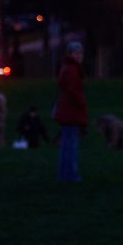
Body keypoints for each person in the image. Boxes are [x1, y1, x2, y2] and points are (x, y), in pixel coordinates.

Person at [54, 42, 88, 182]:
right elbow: (73, 91)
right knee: (71, 145)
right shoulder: (73, 70)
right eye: (76, 53)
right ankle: (71, 175)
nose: (79, 56)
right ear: (70, 54)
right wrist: (81, 103)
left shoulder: (67, 68)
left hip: (67, 110)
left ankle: (64, 174)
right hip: (71, 111)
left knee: (66, 145)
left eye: (80, 53)